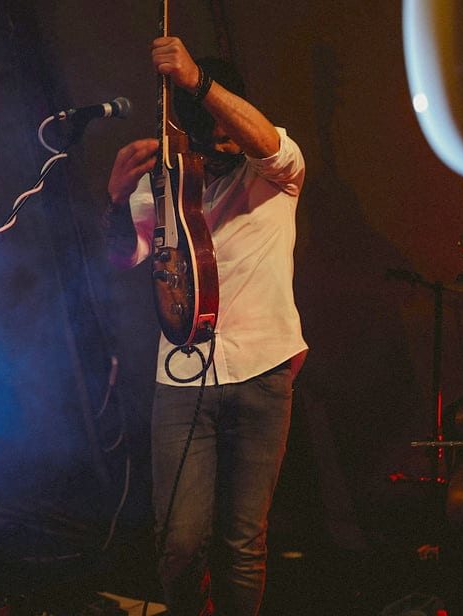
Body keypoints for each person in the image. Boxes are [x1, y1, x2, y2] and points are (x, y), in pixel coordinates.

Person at [102, 35, 307, 616]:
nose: (220, 149)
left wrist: (197, 82)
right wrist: (115, 200)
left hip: (263, 371)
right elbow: (122, 257)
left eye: (226, 135)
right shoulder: (167, 185)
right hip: (183, 375)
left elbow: (265, 143)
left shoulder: (275, 167)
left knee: (243, 543)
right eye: (206, 138)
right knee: (180, 543)